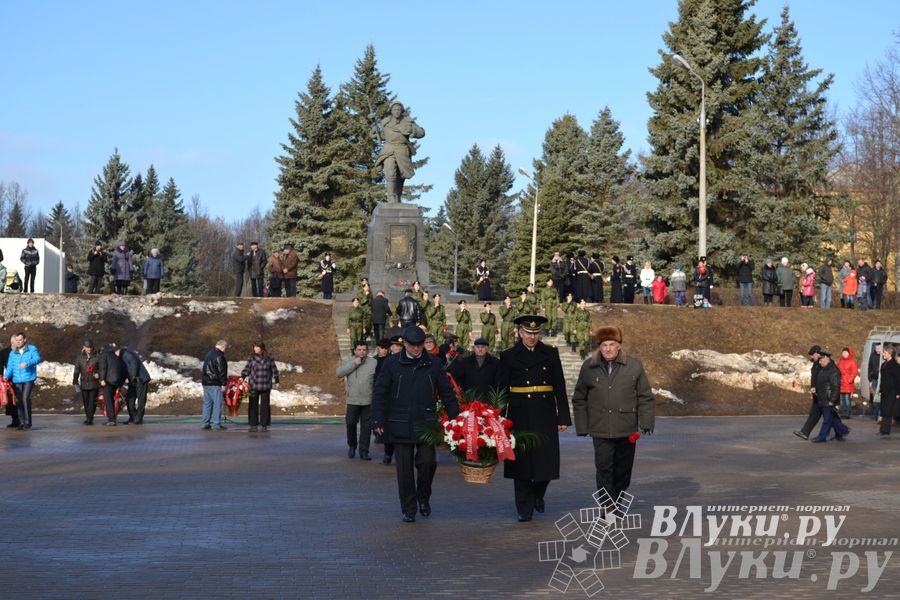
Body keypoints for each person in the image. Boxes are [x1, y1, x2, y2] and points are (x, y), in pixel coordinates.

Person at [372, 326, 459, 522]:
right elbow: (380, 392)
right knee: (404, 469)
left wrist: (456, 419)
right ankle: (409, 508)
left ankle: (423, 496)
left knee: (428, 462)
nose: (417, 349)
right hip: (399, 422)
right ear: (405, 344)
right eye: (413, 345)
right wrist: (377, 419)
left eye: (420, 345)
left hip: (425, 422)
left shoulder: (434, 363)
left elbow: (447, 392)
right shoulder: (392, 363)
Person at [497, 315, 571, 522]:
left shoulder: (550, 353)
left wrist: (562, 416)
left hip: (545, 413)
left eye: (536, 333)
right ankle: (524, 507)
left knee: (546, 463)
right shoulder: (509, 356)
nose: (532, 337)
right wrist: (500, 418)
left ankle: (537, 493)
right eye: (528, 333)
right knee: (521, 463)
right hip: (519, 414)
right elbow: (502, 389)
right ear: (520, 332)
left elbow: (559, 386)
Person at [572, 325, 654, 503]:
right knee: (604, 468)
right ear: (599, 347)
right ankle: (607, 506)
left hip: (626, 428)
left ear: (619, 345)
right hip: (600, 428)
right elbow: (579, 398)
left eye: (611, 344)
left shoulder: (633, 366)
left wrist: (646, 422)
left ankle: (617, 498)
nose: (608, 349)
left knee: (623, 471)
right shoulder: (589, 367)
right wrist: (582, 426)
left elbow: (645, 396)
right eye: (604, 345)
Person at [373, 101, 426, 203]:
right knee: (390, 173)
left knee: (401, 176)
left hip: (402, 150)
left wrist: (413, 132)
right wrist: (375, 133)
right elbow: (383, 136)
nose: (396, 112)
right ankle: (391, 198)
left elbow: (422, 132)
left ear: (401, 111)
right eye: (394, 110)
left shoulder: (408, 122)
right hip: (389, 149)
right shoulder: (385, 122)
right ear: (391, 111)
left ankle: (397, 196)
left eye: (398, 110)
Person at [336, 339, 376, 456]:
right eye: (359, 350)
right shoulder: (348, 361)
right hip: (353, 400)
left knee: (366, 428)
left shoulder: (373, 362)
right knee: (350, 423)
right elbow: (339, 373)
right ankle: (352, 445)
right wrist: (354, 364)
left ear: (367, 351)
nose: (362, 352)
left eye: (364, 350)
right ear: (355, 350)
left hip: (368, 400)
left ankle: (364, 451)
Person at [810, 351, 850, 443]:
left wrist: (832, 400)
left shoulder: (833, 371)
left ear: (827, 359)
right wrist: (815, 388)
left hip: (828, 399)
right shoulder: (824, 369)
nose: (820, 362)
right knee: (832, 418)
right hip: (823, 397)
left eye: (821, 360)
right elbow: (823, 383)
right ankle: (843, 430)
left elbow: (835, 387)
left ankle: (822, 436)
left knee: (827, 419)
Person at [4, 333, 41, 430]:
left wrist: (27, 363)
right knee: (18, 401)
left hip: (28, 378)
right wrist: (5, 377)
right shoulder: (13, 353)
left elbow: (37, 359)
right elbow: (10, 367)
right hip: (17, 380)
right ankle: (21, 422)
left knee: (25, 398)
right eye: (17, 340)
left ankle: (28, 422)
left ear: (25, 340)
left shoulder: (32, 349)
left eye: (20, 340)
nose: (18, 342)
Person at [242, 341, 280, 433]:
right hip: (253, 385)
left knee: (265, 406)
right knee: (253, 405)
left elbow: (274, 369)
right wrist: (242, 377)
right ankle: (253, 425)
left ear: (262, 348)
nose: (255, 349)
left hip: (265, 385)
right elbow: (247, 368)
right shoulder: (251, 357)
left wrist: (277, 380)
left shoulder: (269, 357)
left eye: (257, 347)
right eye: (254, 347)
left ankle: (264, 425)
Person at [794, 345, 824, 440]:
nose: (811, 357)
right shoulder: (816, 364)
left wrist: (817, 388)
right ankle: (805, 432)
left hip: (821, 393)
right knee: (815, 413)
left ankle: (841, 431)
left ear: (816, 353)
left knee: (829, 416)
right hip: (816, 393)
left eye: (812, 355)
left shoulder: (821, 364)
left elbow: (823, 379)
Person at [118, 346, 151, 425]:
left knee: (141, 400)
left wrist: (133, 376)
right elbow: (124, 373)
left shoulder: (126, 354)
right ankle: (133, 417)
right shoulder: (122, 359)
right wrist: (119, 384)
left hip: (141, 379)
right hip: (133, 381)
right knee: (129, 399)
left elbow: (133, 362)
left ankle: (138, 419)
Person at [201, 340, 228, 430]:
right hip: (215, 383)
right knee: (218, 403)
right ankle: (216, 424)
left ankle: (205, 423)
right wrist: (223, 383)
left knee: (207, 403)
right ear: (223, 347)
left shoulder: (209, 353)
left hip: (206, 382)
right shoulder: (220, 356)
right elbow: (222, 372)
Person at [72, 339, 100, 425]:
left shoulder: (97, 356)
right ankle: (88, 416)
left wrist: (99, 374)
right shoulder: (80, 357)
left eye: (90, 347)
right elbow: (77, 370)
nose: (89, 349)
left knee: (92, 401)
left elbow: (102, 368)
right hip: (84, 383)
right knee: (86, 402)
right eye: (87, 347)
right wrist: (75, 381)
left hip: (94, 382)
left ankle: (90, 418)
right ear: (84, 347)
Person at [97, 343, 124, 426]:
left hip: (108, 381)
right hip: (116, 381)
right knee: (112, 400)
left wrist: (102, 379)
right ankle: (113, 418)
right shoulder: (114, 355)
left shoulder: (103, 355)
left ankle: (111, 419)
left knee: (108, 400)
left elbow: (103, 368)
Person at [877, 346, 899, 437]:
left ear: (890, 354)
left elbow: (898, 380)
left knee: (888, 410)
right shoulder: (883, 364)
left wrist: (898, 392)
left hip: (892, 391)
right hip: (884, 390)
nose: (883, 354)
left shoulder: (895, 366)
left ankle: (886, 430)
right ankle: (882, 429)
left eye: (885, 353)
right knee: (883, 409)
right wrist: (881, 389)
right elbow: (882, 379)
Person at [1, 337, 18, 428]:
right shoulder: (4, 352)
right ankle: (15, 420)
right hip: (10, 379)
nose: (19, 342)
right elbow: (0, 365)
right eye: (17, 341)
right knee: (11, 400)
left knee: (21, 399)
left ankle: (23, 419)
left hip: (21, 378)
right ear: (12, 342)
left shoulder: (22, 352)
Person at [837, 348, 858, 419]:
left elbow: (854, 372)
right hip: (840, 382)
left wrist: (850, 380)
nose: (844, 354)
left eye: (846, 352)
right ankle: (842, 412)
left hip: (847, 383)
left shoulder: (852, 362)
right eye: (843, 352)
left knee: (847, 399)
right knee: (841, 400)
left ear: (849, 353)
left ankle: (847, 413)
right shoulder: (840, 361)